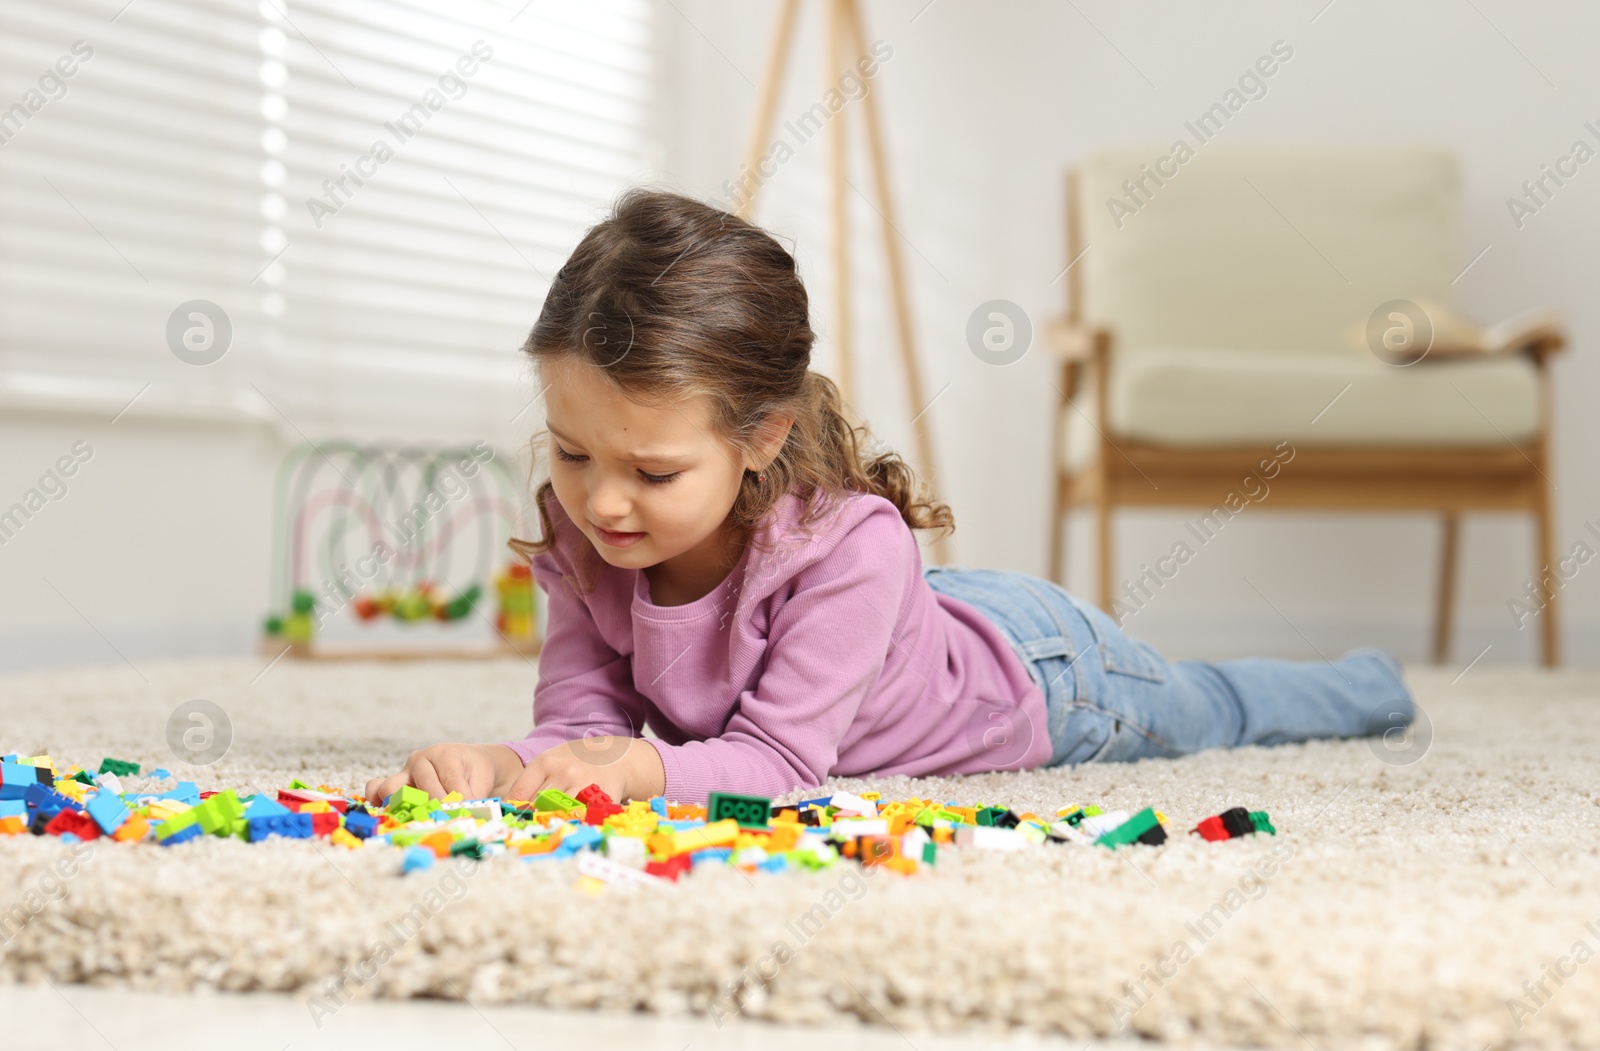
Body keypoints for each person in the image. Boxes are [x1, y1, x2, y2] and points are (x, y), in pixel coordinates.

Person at [364, 188, 1412, 808]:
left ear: (760, 436)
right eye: (573, 452)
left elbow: (777, 764)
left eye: (652, 471)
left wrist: (641, 771)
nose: (602, 501)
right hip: (919, 623)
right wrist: (501, 761)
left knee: (1208, 709)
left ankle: (1362, 683)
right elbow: (582, 723)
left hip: (1042, 675)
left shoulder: (845, 545)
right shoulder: (586, 532)